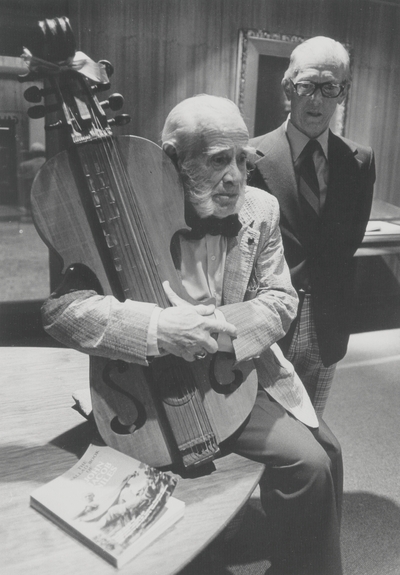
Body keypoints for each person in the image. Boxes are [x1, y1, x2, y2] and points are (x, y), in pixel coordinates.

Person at [42, 94, 343, 575]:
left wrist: (220, 332)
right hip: (138, 384)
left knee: (315, 462)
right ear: (172, 157)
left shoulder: (260, 209)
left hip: (231, 373)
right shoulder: (117, 213)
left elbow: (281, 299)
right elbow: (64, 312)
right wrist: (158, 328)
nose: (236, 178)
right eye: (219, 160)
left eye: (243, 160)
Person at [249, 36, 376, 415]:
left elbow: (350, 238)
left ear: (343, 91)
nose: (317, 100)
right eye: (307, 86)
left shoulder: (360, 161)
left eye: (329, 87)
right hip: (269, 327)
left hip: (328, 324)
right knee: (266, 434)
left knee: (313, 425)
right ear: (289, 86)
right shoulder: (251, 157)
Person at [18, 142, 46, 216]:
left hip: (30, 192)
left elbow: (21, 181)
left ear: (32, 153)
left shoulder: (24, 165)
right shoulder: (48, 162)